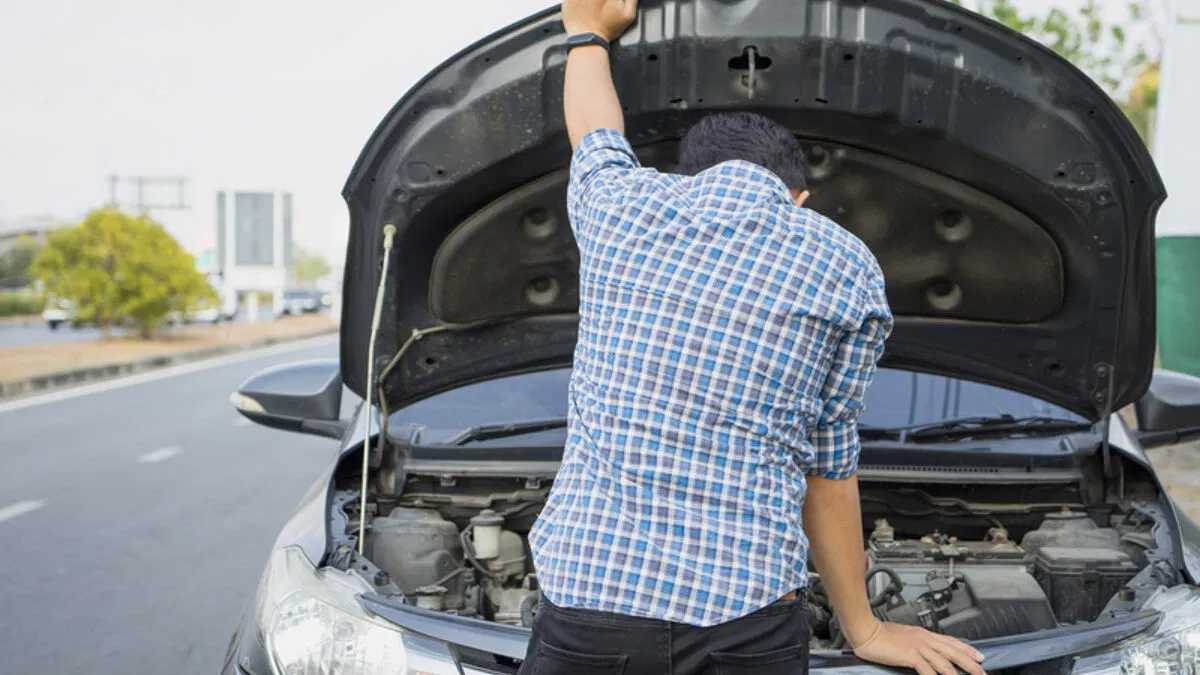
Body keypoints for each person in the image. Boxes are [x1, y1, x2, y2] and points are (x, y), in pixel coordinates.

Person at [519, 1, 990, 674]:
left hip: (592, 614)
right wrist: (864, 630)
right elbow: (828, 467)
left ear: (692, 179)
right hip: (748, 623)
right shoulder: (845, 262)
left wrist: (587, 33)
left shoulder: (623, 207)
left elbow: (594, 129)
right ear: (799, 197)